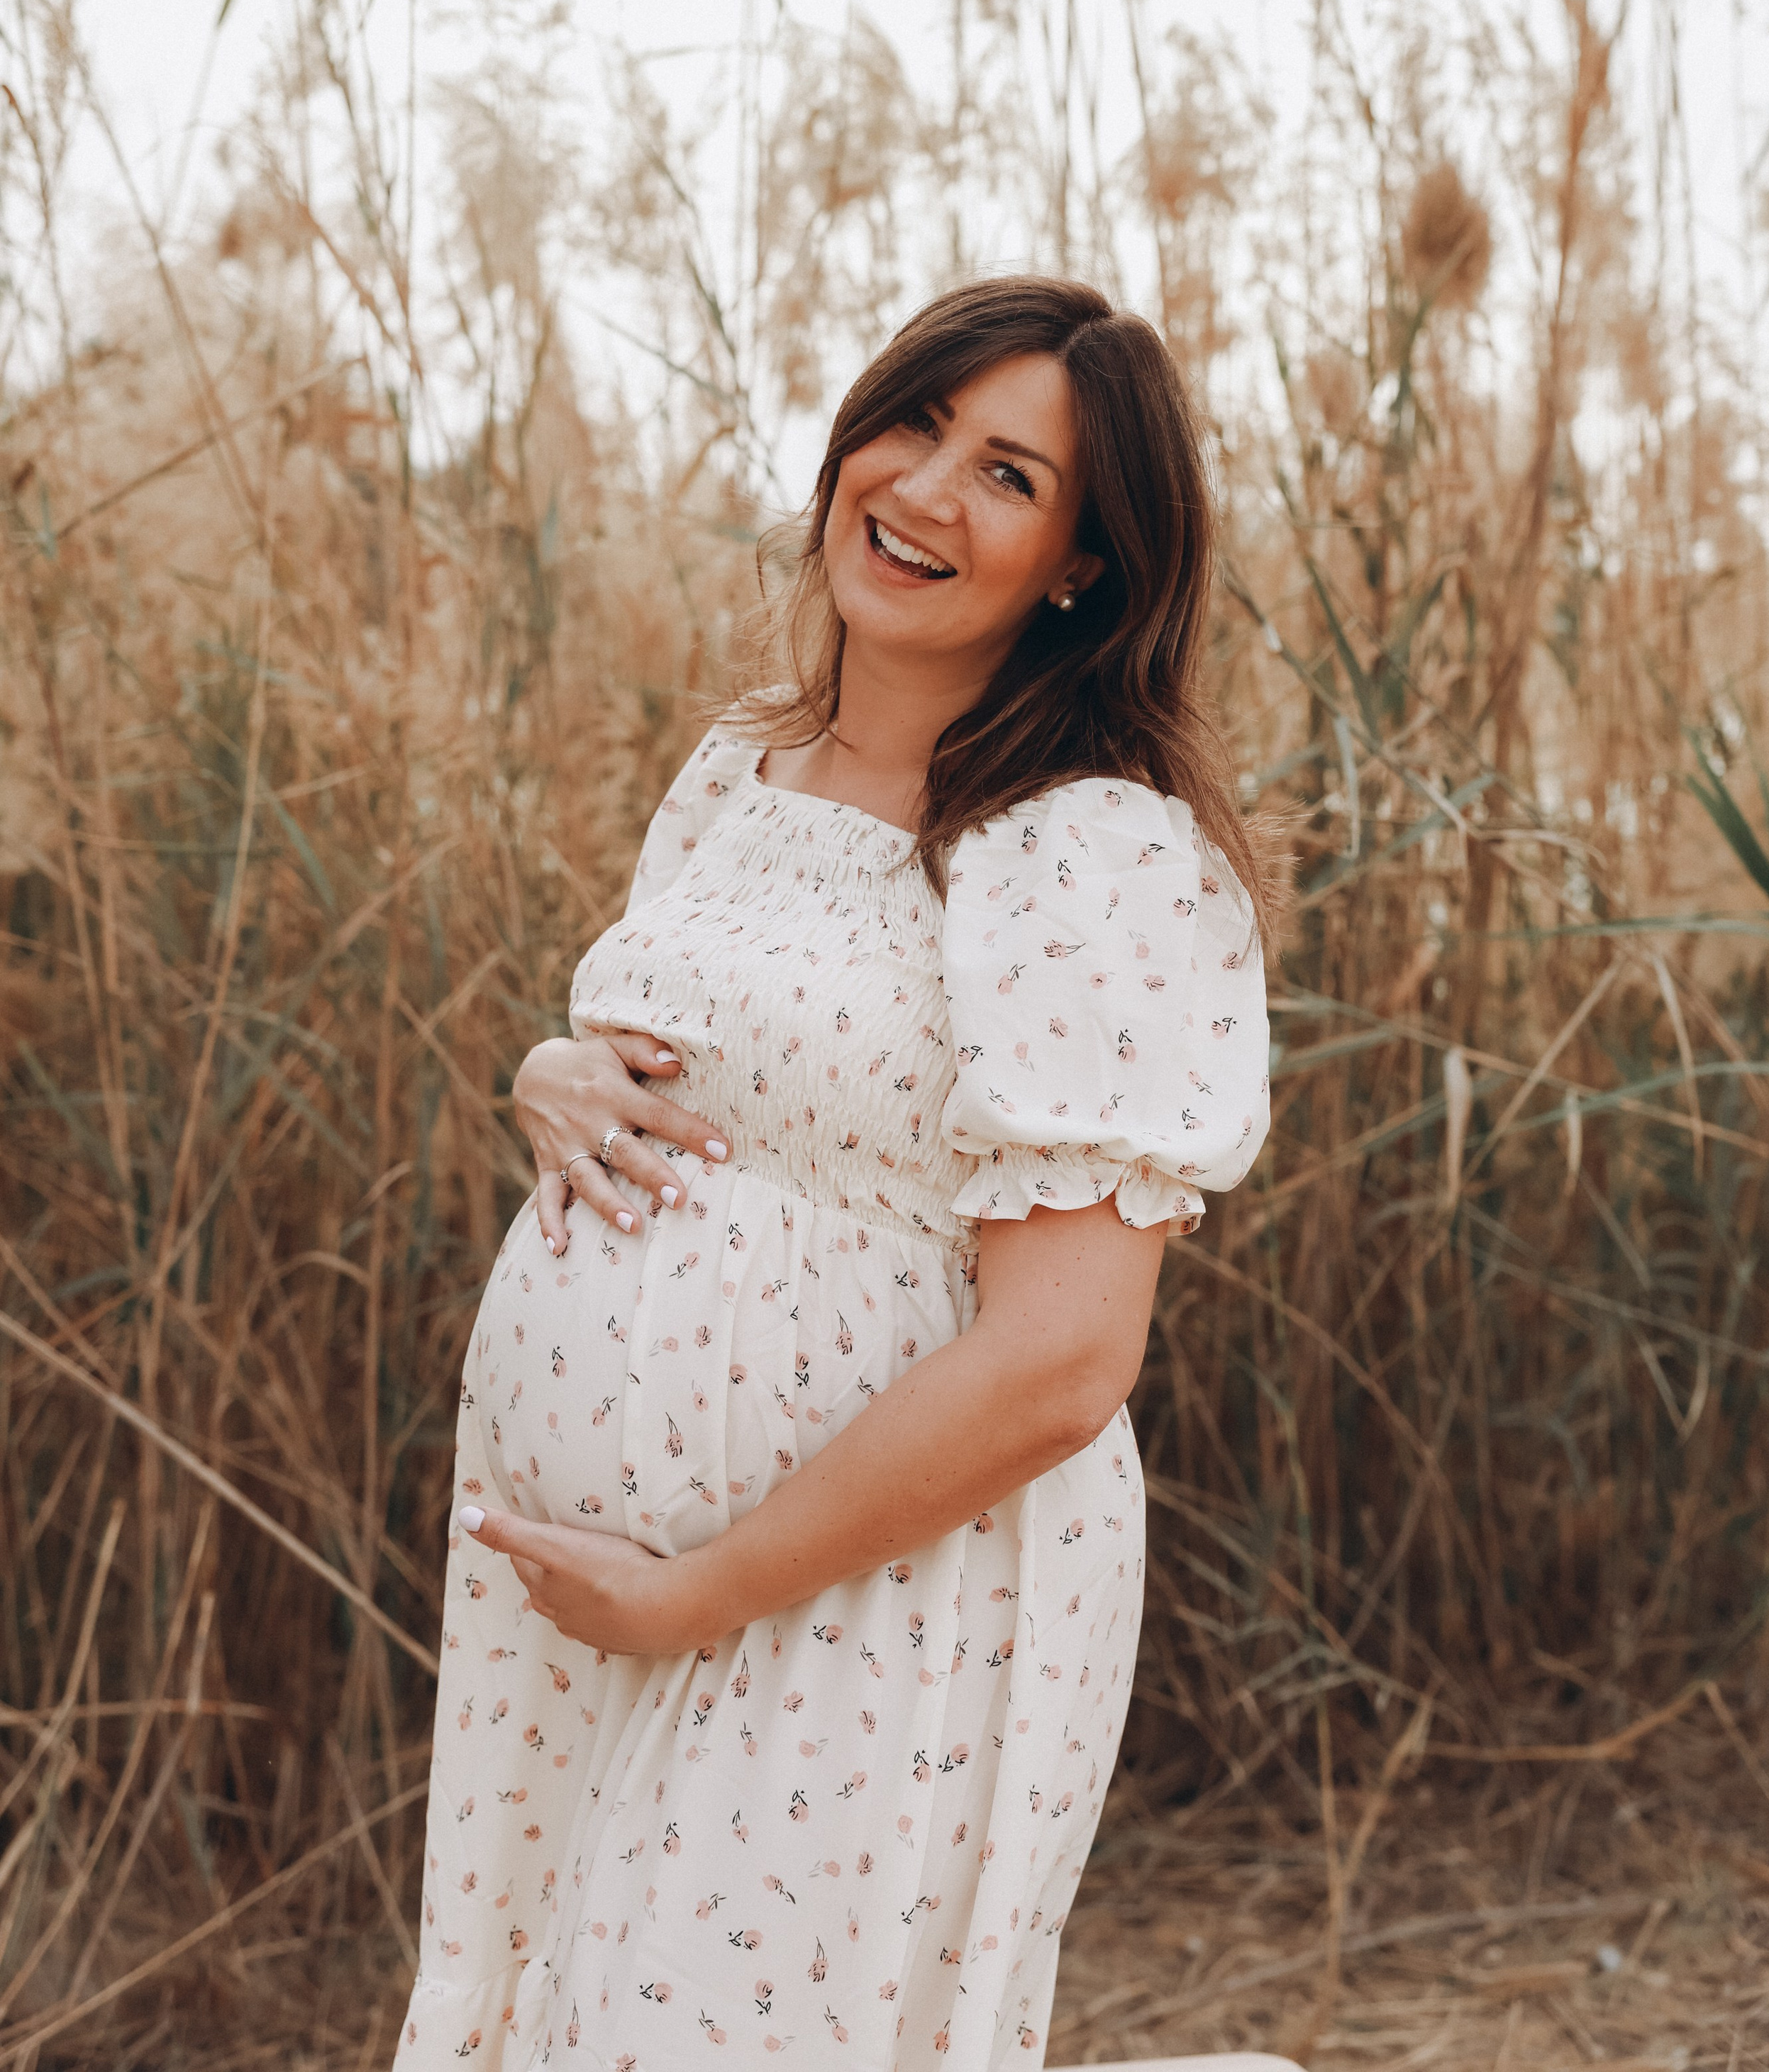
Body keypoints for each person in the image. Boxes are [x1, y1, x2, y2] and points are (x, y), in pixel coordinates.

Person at [395, 276, 1276, 2071]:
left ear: (1082, 567)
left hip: (861, 1598)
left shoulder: (1088, 850)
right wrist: (548, 1072)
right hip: (585, 1607)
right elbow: (707, 1071)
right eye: (919, 422)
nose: (928, 489)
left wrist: (701, 1589)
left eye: (1011, 477)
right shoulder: (742, 764)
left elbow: (1062, 1359)